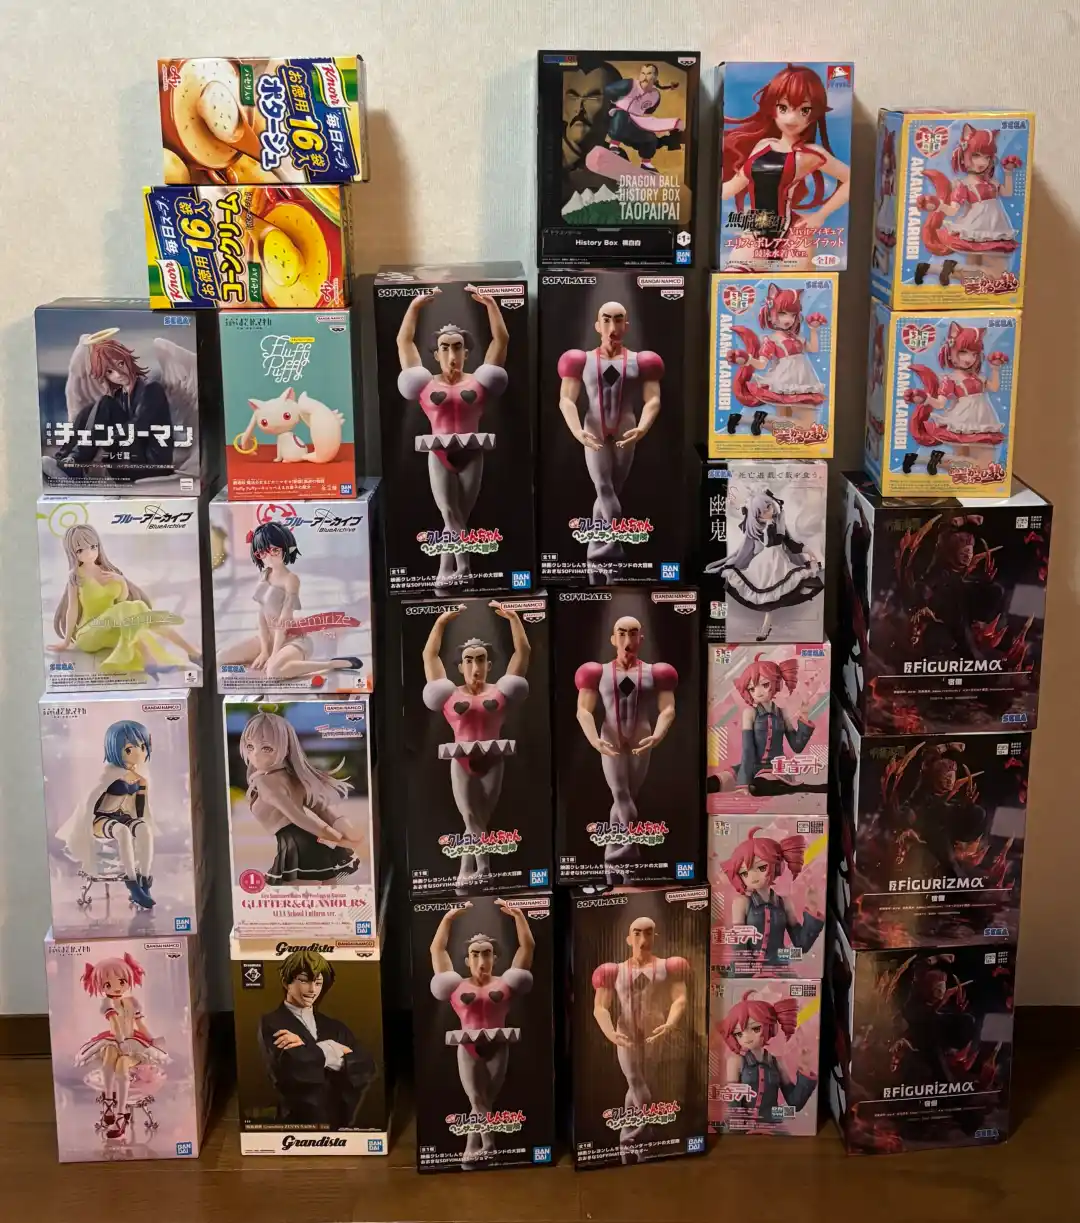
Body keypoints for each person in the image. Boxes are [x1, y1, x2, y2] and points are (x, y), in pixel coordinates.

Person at [396, 288, 509, 591]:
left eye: (457, 347)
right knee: (449, 512)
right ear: (436, 354)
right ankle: (464, 569)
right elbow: (404, 342)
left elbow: (501, 341)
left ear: (466, 352)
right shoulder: (424, 383)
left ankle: (444, 573)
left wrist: (491, 305)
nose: (451, 354)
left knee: (459, 516)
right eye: (444, 348)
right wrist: (414, 307)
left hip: (472, 451)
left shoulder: (479, 381)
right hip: (438, 452)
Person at [422, 602, 531, 889]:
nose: (475, 666)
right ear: (460, 667)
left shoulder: (500, 691)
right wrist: (441, 623)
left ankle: (464, 873)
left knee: (480, 818)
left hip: (494, 758)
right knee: (471, 817)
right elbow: (429, 655)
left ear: (489, 665)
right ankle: (483, 870)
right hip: (460, 759)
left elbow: (523, 653)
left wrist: (514, 619)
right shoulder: (448, 693)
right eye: (469, 660)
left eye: (480, 660)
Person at [557, 301, 664, 576]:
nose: (612, 327)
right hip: (593, 426)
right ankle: (614, 544)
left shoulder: (642, 361)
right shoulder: (580, 360)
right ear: (597, 325)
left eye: (618, 320)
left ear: (626, 326)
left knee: (610, 489)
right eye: (606, 320)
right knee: (604, 487)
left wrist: (643, 427)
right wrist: (576, 430)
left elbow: (653, 399)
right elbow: (566, 399)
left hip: (626, 427)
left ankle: (596, 548)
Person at [430, 899, 534, 1167]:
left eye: (486, 953)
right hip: (467, 1046)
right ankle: (489, 1147)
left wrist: (519, 917)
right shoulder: (455, 985)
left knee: (485, 1100)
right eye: (475, 954)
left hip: (499, 1044)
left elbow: (527, 947)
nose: (481, 960)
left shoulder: (506, 983)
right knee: (477, 1099)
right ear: (467, 960)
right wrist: (448, 919)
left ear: (494, 958)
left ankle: (469, 1151)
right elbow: (437, 949)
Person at [574, 615, 677, 882]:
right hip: (611, 737)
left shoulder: (656, 672)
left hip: (641, 737)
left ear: (641, 639)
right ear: (612, 638)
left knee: (627, 796)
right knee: (620, 794)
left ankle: (612, 855)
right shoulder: (597, 672)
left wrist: (658, 735)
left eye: (632, 633)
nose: (627, 639)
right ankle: (629, 847)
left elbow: (668, 709)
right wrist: (593, 740)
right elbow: (583, 710)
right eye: (621, 633)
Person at [215, 520, 364, 683]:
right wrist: (264, 651)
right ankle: (275, 666)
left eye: (274, 550)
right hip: (269, 639)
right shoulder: (264, 576)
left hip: (293, 639)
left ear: (285, 549)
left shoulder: (291, 580)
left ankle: (332, 664)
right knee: (222, 657)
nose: (269, 557)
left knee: (274, 672)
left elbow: (284, 621)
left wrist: (273, 654)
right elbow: (261, 615)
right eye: (262, 552)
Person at [591, 915, 688, 1163]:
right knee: (634, 1079)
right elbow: (600, 1007)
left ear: (655, 937)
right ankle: (644, 1132)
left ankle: (626, 1139)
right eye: (637, 932)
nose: (642, 938)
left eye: (648, 932)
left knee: (641, 1084)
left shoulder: (669, 966)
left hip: (656, 1031)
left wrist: (670, 1023)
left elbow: (680, 999)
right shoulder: (613, 971)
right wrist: (610, 1032)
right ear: (628, 938)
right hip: (626, 1033)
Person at [49, 523, 201, 674]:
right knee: (136, 607)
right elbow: (72, 608)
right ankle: (165, 656)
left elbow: (121, 603)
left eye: (93, 547)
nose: (89, 553)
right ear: (72, 552)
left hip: (110, 628)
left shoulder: (109, 571)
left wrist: (121, 581)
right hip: (89, 633)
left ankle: (190, 653)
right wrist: (67, 641)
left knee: (138, 631)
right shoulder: (76, 576)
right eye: (80, 550)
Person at [238, 711, 361, 887]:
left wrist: (337, 837)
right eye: (250, 746)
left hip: (297, 847)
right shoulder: (293, 777)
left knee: (302, 901)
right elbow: (323, 811)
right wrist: (345, 832)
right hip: (310, 843)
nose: (255, 754)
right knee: (326, 899)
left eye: (266, 748)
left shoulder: (266, 781)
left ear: (286, 747)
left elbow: (298, 816)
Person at [257, 949, 375, 1128]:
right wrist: (332, 1050)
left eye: (318, 983)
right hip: (296, 1124)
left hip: (339, 1122)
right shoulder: (272, 1022)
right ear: (286, 982)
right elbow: (292, 1071)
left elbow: (366, 1065)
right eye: (304, 980)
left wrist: (309, 1051)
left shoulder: (334, 1026)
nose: (312, 990)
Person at [44, 330, 175, 483]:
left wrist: (105, 437)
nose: (118, 374)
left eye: (120, 364)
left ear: (128, 360)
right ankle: (66, 458)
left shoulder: (151, 389)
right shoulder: (120, 395)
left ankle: (76, 463)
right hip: (130, 455)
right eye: (110, 371)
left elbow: (139, 425)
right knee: (89, 410)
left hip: (151, 464)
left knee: (105, 404)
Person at [56, 719, 157, 911]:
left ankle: (144, 881)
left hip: (122, 816)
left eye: (143, 747)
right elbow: (90, 803)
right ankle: (132, 882)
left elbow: (140, 810)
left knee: (145, 830)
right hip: (101, 819)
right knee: (122, 832)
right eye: (130, 749)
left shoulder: (140, 780)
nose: (139, 753)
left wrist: (140, 819)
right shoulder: (107, 776)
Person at [76, 953, 168, 1142]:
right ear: (101, 986)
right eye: (108, 984)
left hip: (132, 1043)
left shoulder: (132, 1002)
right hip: (114, 1041)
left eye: (121, 981)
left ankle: (119, 1114)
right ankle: (110, 1103)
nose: (116, 987)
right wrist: (120, 1041)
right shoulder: (107, 1003)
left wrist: (151, 1041)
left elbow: (140, 1025)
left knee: (123, 1063)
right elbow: (115, 1025)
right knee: (110, 1051)